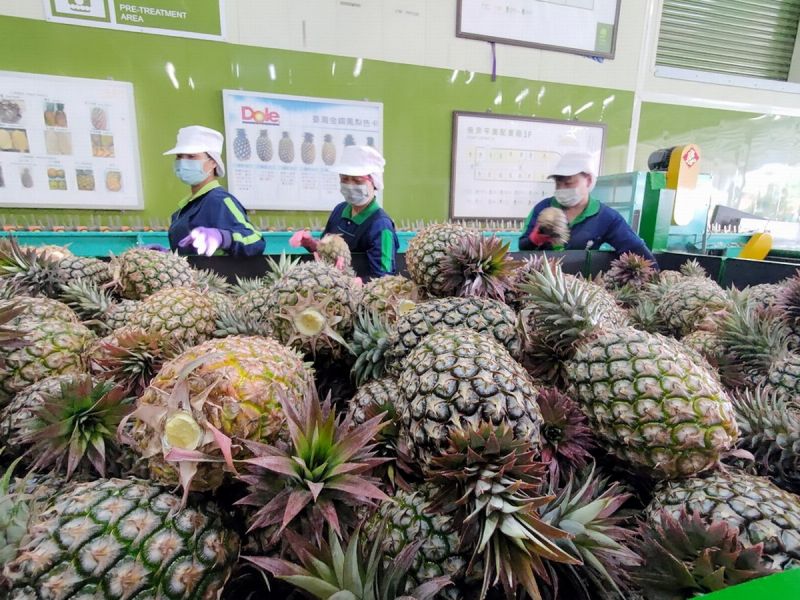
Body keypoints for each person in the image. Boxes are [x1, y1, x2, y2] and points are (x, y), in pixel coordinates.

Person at [519, 152, 656, 262]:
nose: (561, 189)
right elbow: (522, 248)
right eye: (558, 184)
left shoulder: (605, 217)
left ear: (588, 180)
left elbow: (636, 250)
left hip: (581, 282)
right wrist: (534, 240)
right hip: (541, 282)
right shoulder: (543, 208)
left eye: (568, 183)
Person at [295, 145, 399, 280]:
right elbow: (326, 251)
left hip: (362, 296)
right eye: (344, 179)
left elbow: (385, 276)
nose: (350, 185)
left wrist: (358, 283)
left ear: (374, 181)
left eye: (357, 180)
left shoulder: (381, 226)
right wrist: (312, 245)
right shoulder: (339, 210)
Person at [163, 125, 265, 257]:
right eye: (179, 156)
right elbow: (192, 253)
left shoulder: (220, 200)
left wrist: (223, 237)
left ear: (213, 163)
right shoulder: (184, 209)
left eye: (191, 156)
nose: (183, 161)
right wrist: (166, 256)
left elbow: (255, 240)